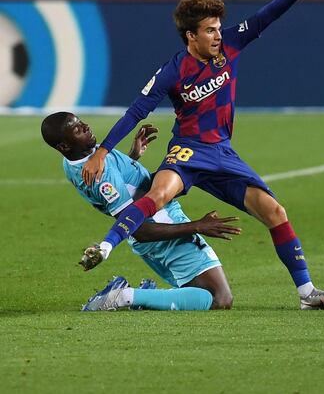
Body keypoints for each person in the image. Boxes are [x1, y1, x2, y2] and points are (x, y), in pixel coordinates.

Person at [77, 0, 324, 311]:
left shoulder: (232, 45)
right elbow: (136, 111)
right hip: (187, 152)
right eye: (209, 30)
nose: (218, 35)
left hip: (222, 153)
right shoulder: (172, 71)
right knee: (157, 195)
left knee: (275, 212)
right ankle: (106, 246)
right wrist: (102, 151)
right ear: (191, 36)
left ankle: (308, 294)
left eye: (219, 28)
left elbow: (267, 16)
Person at [41, 111, 241, 311]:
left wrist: (132, 159)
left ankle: (145, 296)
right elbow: (138, 229)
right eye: (77, 129)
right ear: (65, 146)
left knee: (193, 289)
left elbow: (121, 190)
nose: (86, 126)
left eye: (81, 122)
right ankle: (124, 296)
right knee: (220, 298)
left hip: (152, 237)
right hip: (162, 229)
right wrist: (197, 226)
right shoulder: (101, 174)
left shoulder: (76, 163)